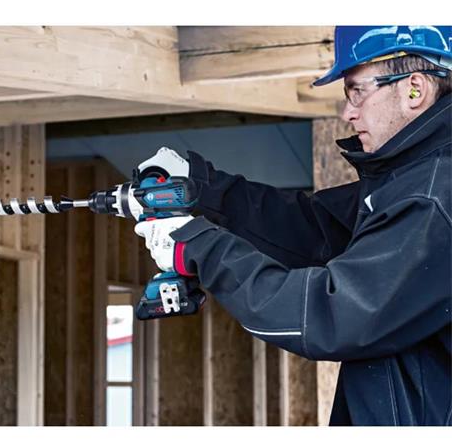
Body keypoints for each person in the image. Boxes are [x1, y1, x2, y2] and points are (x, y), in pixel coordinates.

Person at [134, 25, 452, 426]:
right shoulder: (413, 180)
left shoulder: (433, 199)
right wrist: (204, 189)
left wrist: (198, 247)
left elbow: (331, 314)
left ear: (414, 89)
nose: (348, 112)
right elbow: (316, 229)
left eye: (357, 91)